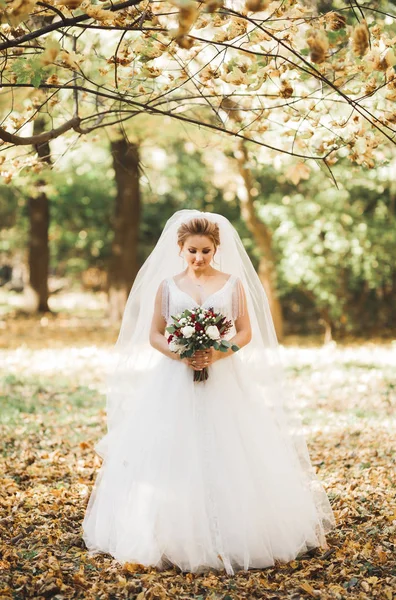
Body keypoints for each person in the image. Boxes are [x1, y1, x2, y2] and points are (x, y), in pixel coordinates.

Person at [82, 209, 336, 575]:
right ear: (180, 249)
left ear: (215, 248)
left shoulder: (232, 284)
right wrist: (180, 354)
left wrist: (217, 353)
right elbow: (154, 333)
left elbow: (245, 331)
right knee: (173, 450)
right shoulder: (167, 287)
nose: (199, 258)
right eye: (192, 251)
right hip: (174, 378)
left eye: (205, 251)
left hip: (224, 376)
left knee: (231, 446)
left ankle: (235, 533)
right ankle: (172, 534)